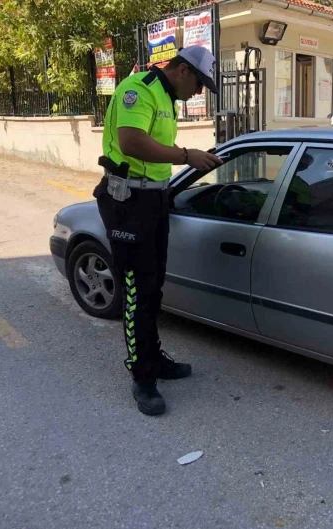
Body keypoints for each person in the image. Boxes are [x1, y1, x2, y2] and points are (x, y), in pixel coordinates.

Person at [94, 45, 222, 415]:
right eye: (200, 83)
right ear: (182, 69)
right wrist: (187, 156)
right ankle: (142, 377)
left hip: (153, 201)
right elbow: (131, 142)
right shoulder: (140, 88)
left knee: (153, 286)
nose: (200, 93)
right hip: (128, 203)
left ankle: (155, 358)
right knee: (136, 288)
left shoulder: (166, 97)